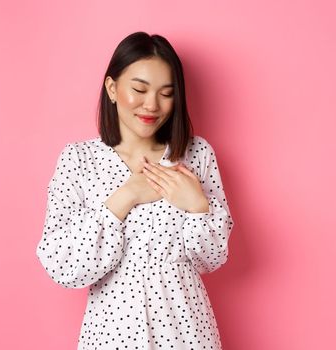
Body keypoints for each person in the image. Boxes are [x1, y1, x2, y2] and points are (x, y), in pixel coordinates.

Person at [35, 31, 234, 349]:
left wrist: (197, 206)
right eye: (139, 89)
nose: (152, 105)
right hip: (112, 333)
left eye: (166, 93)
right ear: (112, 88)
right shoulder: (79, 159)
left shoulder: (197, 154)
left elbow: (211, 259)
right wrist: (125, 197)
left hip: (187, 330)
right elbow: (62, 264)